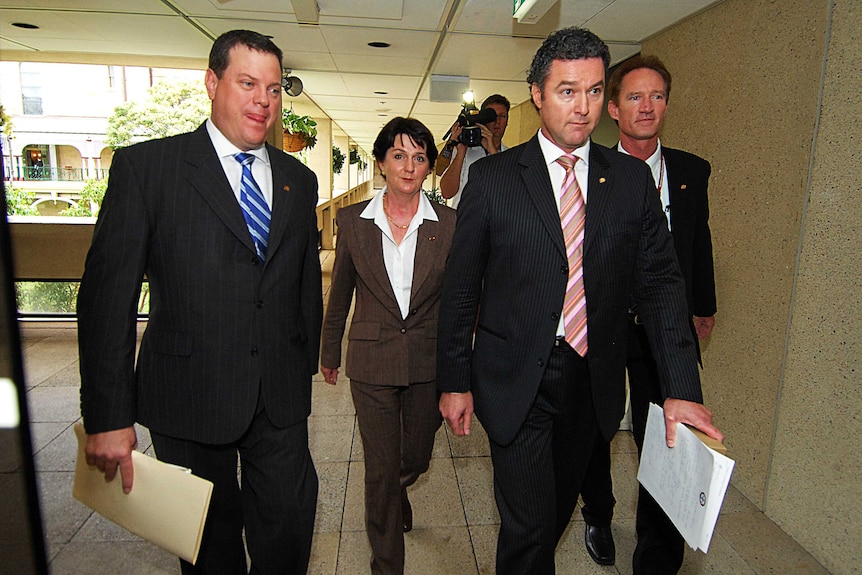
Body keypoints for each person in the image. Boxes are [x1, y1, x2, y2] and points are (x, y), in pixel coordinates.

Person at [436, 27, 724, 575]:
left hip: (590, 384)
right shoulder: (495, 180)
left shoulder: (631, 182)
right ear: (538, 95)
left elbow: (662, 287)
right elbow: (462, 286)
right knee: (523, 530)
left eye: (594, 91)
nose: (584, 106)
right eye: (568, 91)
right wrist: (454, 379)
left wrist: (682, 390)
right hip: (513, 377)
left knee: (552, 517)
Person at [77, 30, 322, 575]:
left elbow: (302, 280)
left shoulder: (297, 181)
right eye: (248, 83)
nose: (264, 100)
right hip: (189, 396)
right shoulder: (149, 170)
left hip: (278, 398)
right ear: (212, 83)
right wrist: (108, 414)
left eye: (275, 88)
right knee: (210, 546)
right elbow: (106, 297)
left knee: (289, 524)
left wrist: (306, 364)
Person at [578, 54, 717, 572]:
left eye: (657, 96)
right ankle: (597, 511)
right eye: (635, 96)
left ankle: (656, 556)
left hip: (664, 328)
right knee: (596, 424)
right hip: (605, 326)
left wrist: (703, 307)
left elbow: (697, 243)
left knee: (667, 436)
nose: (647, 106)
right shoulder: (589, 172)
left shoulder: (689, 171)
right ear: (613, 108)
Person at [320, 117, 455, 574]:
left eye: (419, 157)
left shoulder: (450, 225)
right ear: (381, 163)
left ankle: (396, 492)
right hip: (372, 359)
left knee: (414, 455)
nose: (409, 166)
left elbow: (460, 301)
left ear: (429, 167)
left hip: (427, 359)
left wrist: (464, 366)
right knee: (379, 467)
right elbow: (340, 292)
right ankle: (386, 564)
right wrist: (329, 351)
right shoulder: (354, 223)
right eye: (398, 155)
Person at [438, 93, 509, 209]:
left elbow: (508, 192)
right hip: (463, 221)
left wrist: (492, 152)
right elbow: (446, 192)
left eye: (502, 116)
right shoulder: (465, 152)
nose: (497, 121)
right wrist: (460, 153)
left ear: (507, 121)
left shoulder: (511, 155)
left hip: (496, 224)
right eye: (492, 116)